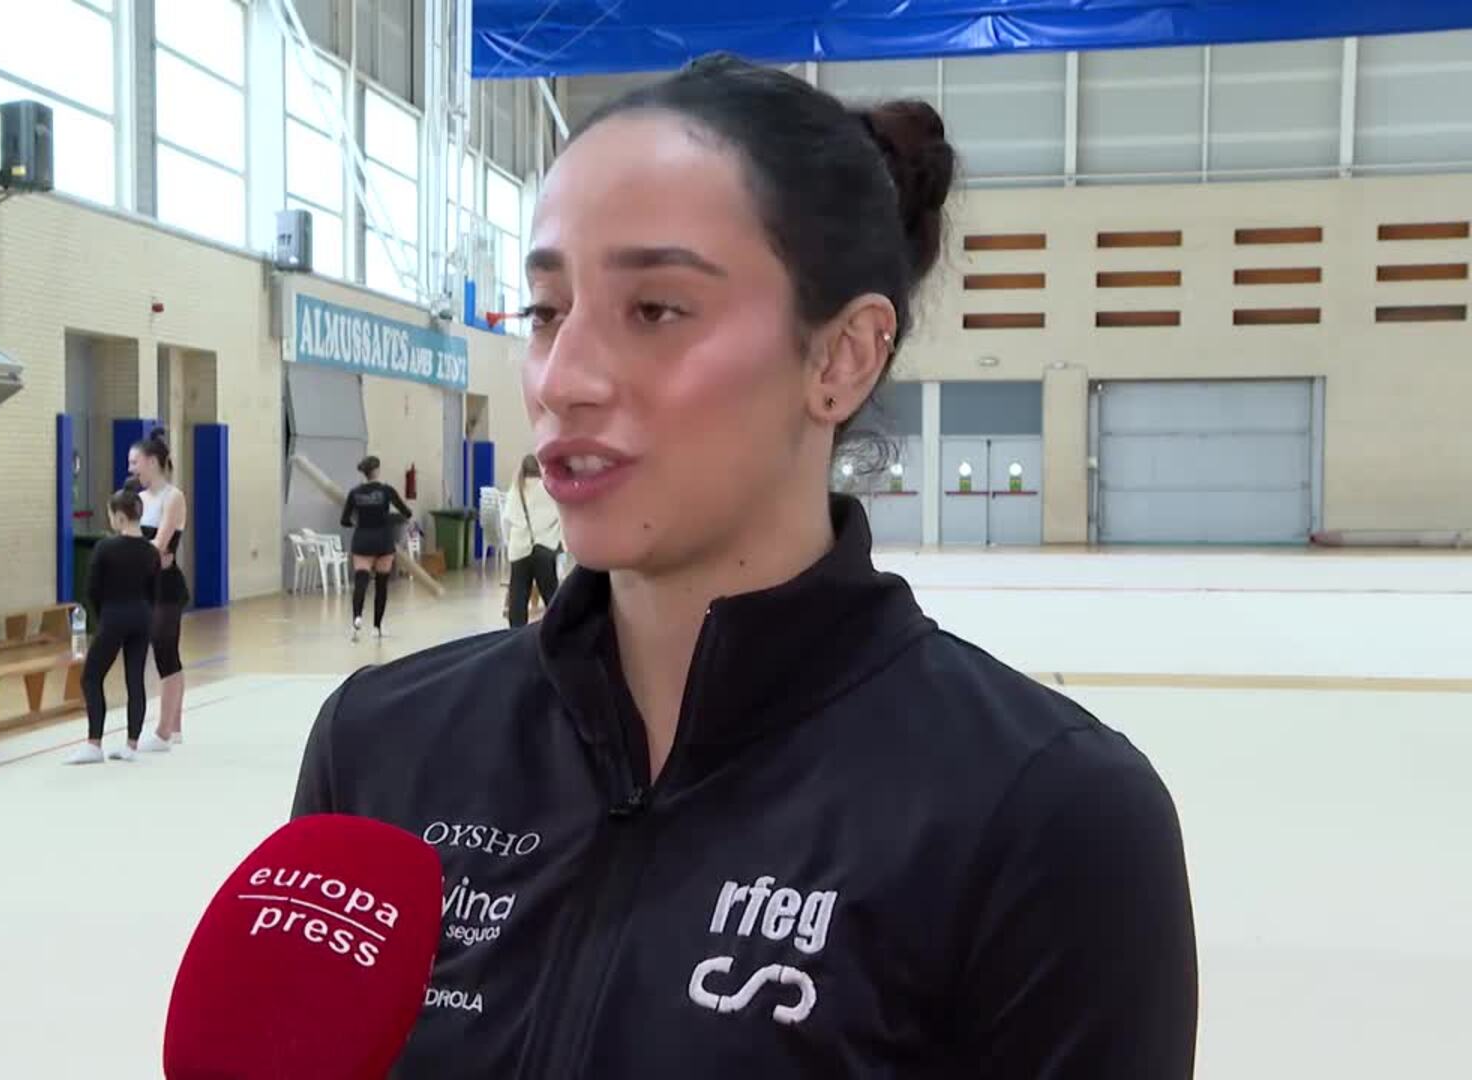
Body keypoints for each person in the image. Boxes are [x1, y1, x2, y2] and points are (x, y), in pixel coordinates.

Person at [293, 56, 1196, 1078]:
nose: (562, 378)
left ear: (842, 356)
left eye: (655, 309)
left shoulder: (1045, 818)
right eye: (545, 311)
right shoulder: (381, 747)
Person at [67, 490, 157, 766]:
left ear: (119, 517)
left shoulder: (106, 548)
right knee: (135, 679)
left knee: (91, 677)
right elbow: (154, 589)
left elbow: (92, 588)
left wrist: (102, 617)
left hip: (114, 615)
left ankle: (94, 743)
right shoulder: (150, 551)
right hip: (142, 615)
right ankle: (132, 744)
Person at [131, 430, 188, 752]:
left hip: (167, 586)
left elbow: (160, 544)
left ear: (152, 462)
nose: (132, 469)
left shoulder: (172, 497)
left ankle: (165, 730)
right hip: (145, 584)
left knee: (166, 649)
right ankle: (174, 725)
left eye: (135, 462)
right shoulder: (138, 500)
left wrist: (138, 549)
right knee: (159, 651)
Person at [339, 455, 411, 641]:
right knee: (381, 585)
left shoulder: (354, 493)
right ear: (377, 470)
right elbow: (406, 512)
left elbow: (344, 520)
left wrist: (357, 522)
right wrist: (389, 518)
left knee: (361, 581)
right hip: (383, 540)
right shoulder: (387, 490)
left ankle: (357, 618)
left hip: (362, 539)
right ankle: (377, 627)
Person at [501, 453, 564, 629]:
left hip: (519, 549)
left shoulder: (516, 489)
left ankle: (516, 633)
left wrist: (509, 542)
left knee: (518, 596)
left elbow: (506, 520)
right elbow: (561, 516)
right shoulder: (549, 488)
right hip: (545, 547)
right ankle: (558, 631)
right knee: (551, 595)